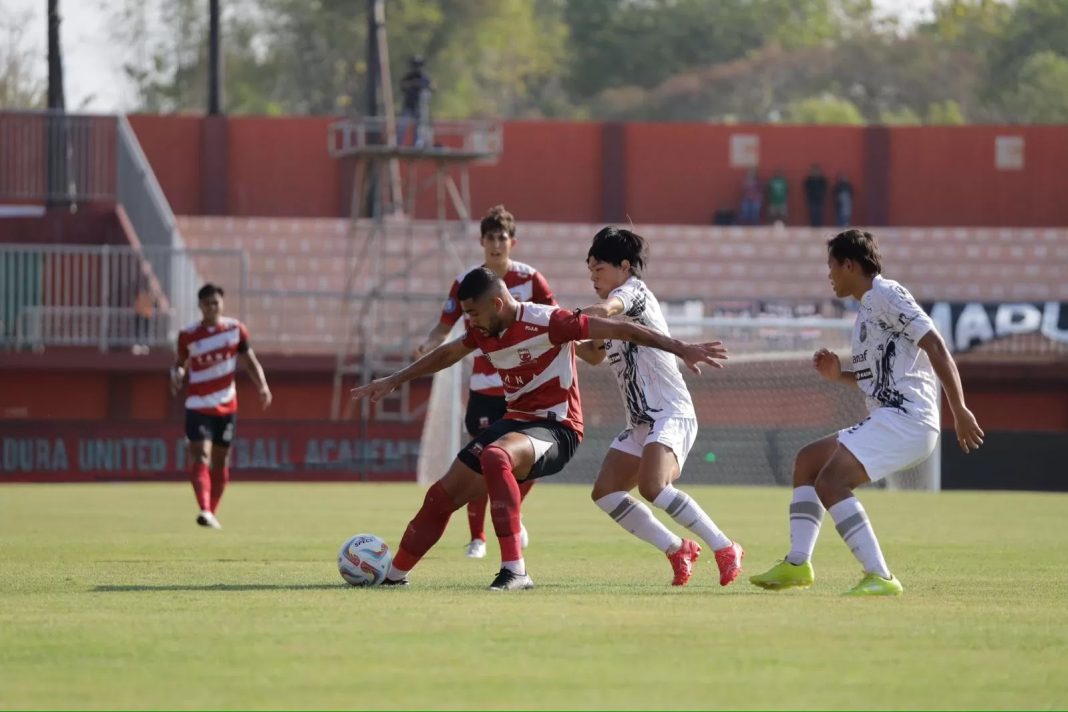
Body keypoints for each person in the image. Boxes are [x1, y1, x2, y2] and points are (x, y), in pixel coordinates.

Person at [351, 267, 728, 591]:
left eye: (474, 313)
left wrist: (681, 348)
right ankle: (394, 576)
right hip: (514, 422)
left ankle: (515, 571)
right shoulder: (483, 330)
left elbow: (621, 328)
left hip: (558, 427)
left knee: (496, 457)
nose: (471, 322)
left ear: (496, 305)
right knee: (440, 495)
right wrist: (395, 379)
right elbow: (449, 354)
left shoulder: (550, 321)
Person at [749, 229, 984, 596]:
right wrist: (837, 375)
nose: (829, 276)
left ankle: (881, 576)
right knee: (808, 462)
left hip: (908, 419)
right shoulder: (865, 313)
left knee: (831, 481)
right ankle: (797, 564)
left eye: (832, 267)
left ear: (850, 264)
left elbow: (935, 344)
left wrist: (960, 408)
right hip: (890, 418)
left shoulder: (888, 294)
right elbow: (878, 380)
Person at [577, 227, 744, 587]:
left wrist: (560, 321)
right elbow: (592, 355)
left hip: (670, 412)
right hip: (641, 422)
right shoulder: (610, 319)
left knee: (653, 486)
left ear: (624, 267)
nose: (593, 277)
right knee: (605, 492)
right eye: (590, 271)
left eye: (598, 269)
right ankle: (676, 548)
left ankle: (726, 546)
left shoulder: (631, 294)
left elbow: (605, 309)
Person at [415, 205, 556, 560]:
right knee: (479, 461)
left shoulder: (531, 279)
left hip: (524, 386)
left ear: (512, 242)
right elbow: (444, 325)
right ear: (481, 241)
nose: (496, 244)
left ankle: (513, 515)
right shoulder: (466, 281)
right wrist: (430, 343)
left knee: (530, 460)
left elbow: (553, 317)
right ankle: (477, 538)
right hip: (485, 387)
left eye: (502, 238)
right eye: (490, 238)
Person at [170, 284, 272, 529]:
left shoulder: (235, 330)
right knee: (200, 454)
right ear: (200, 306)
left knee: (220, 459)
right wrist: (177, 373)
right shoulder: (188, 334)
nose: (212, 307)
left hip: (227, 405)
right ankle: (204, 508)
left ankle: (210, 513)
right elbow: (179, 364)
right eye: (207, 304)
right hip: (198, 404)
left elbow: (250, 362)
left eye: (215, 303)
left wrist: (263, 386)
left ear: (222, 304)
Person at [398, 56, 433, 148]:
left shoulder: (425, 77)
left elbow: (431, 89)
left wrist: (422, 86)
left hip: (420, 107)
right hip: (408, 106)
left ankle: (417, 145)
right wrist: (412, 84)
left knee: (419, 127)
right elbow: (402, 86)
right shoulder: (408, 77)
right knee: (402, 125)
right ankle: (399, 143)